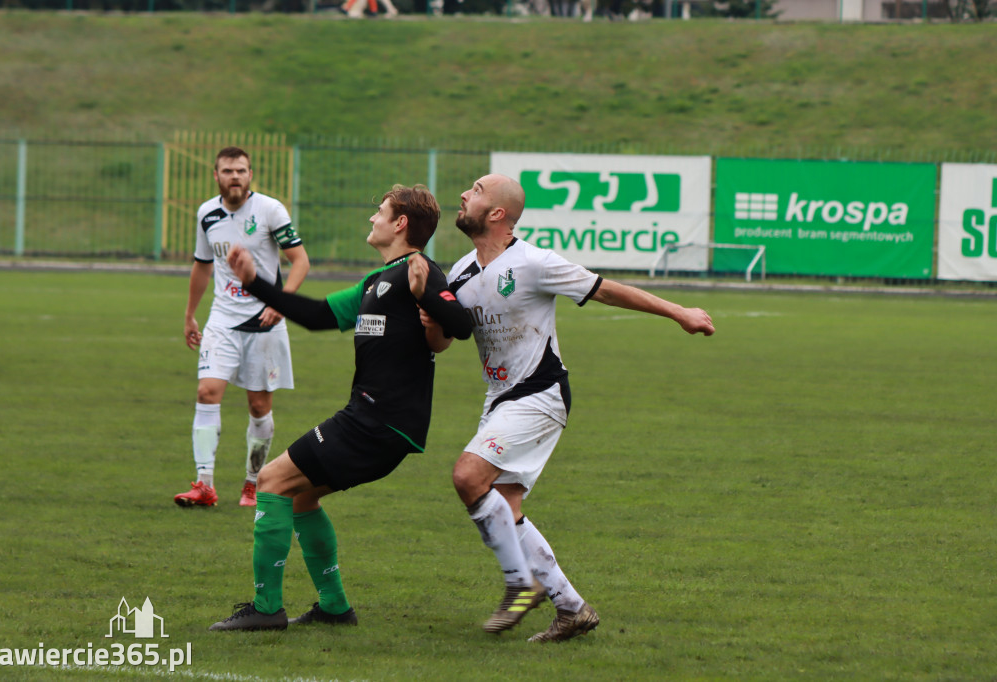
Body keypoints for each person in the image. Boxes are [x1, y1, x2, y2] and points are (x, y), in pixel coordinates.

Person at [443, 173, 715, 642]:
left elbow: (604, 288)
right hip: (500, 398)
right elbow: (444, 338)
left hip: (540, 392)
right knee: (505, 508)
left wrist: (679, 313)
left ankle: (520, 584)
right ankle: (571, 608)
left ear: (497, 214)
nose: (464, 194)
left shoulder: (533, 262)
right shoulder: (460, 271)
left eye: (477, 190)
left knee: (468, 476)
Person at [209, 184, 471, 631]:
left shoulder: (418, 267)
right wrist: (255, 282)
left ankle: (266, 609)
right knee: (302, 499)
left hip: (377, 420)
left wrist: (427, 296)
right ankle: (334, 608)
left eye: (381, 212)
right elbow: (314, 316)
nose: (373, 219)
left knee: (271, 481)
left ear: (400, 223)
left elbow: (461, 325)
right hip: (378, 423)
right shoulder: (376, 282)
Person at [176, 146, 310, 509]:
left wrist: (281, 303)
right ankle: (204, 484)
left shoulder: (270, 210)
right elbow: (202, 266)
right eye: (227, 171)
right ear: (216, 176)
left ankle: (253, 483)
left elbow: (300, 261)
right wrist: (191, 314)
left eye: (241, 170)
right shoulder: (207, 213)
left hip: (264, 322)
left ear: (250, 175)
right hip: (222, 320)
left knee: (258, 405)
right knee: (207, 392)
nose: (234, 176)